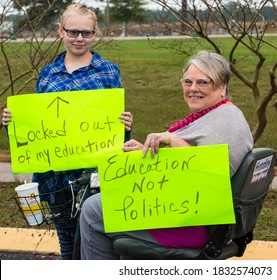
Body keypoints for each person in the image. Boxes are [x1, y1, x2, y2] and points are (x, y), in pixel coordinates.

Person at [79, 50, 254, 260]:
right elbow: (187, 162)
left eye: (203, 82)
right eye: (188, 81)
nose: (193, 89)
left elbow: (209, 178)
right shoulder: (216, 113)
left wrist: (173, 140)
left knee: (92, 209)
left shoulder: (226, 121)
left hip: (192, 223)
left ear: (222, 86)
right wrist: (145, 152)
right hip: (187, 213)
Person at [1, 4, 132, 260]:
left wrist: (125, 124)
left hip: (94, 176)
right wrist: (13, 123)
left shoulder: (108, 71)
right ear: (61, 32)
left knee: (97, 239)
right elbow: (37, 127)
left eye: (86, 33)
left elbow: (116, 131)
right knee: (66, 241)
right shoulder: (48, 74)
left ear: (95, 34)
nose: (79, 38)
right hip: (56, 177)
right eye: (73, 32)